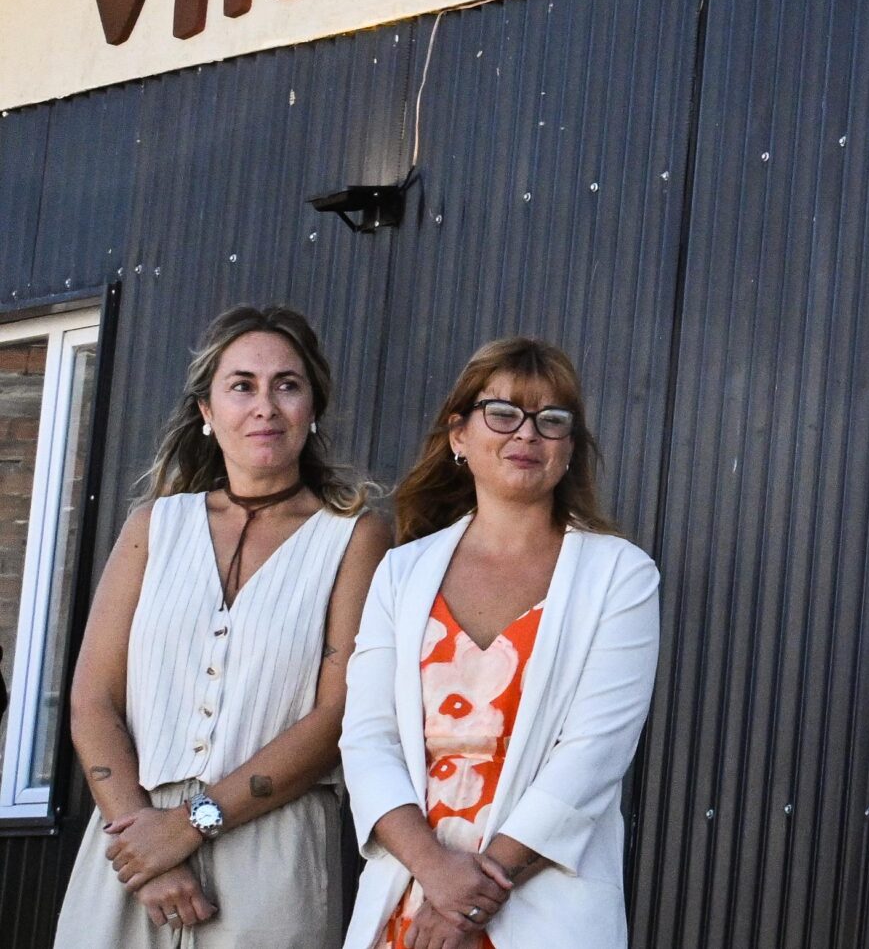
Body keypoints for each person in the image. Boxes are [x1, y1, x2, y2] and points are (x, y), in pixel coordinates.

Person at [58, 305, 389, 947]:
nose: (265, 406)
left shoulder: (355, 537)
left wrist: (189, 826)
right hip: (130, 846)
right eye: (242, 385)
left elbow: (337, 716)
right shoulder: (153, 527)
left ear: (313, 408)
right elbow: (92, 699)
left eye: (286, 385)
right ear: (207, 411)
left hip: (273, 851)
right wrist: (147, 849)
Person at [339, 337, 660, 949]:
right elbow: (367, 739)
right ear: (458, 435)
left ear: (570, 447)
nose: (527, 434)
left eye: (551, 419)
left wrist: (468, 902)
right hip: (411, 893)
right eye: (503, 413)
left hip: (539, 904)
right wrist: (435, 874)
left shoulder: (621, 575)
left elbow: (593, 756)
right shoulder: (401, 572)